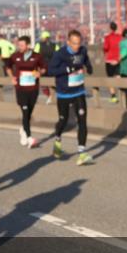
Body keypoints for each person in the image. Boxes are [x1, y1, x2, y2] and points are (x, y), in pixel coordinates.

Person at [47, 29, 94, 165]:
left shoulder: (82, 51)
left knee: (82, 120)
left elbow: (86, 60)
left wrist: (89, 68)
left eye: (78, 43)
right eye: (74, 44)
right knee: (63, 120)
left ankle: (82, 152)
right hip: (63, 93)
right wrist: (67, 70)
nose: (76, 46)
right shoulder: (60, 54)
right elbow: (51, 71)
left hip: (79, 92)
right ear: (68, 42)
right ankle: (57, 139)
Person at [10, 35, 45, 148]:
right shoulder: (15, 56)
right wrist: (12, 77)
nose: (19, 47)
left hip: (33, 88)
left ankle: (23, 129)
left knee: (29, 113)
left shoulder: (37, 56)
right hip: (21, 89)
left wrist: (41, 73)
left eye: (22, 45)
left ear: (28, 45)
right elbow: (8, 66)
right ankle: (30, 138)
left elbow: (44, 67)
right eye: (18, 45)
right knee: (25, 111)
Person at [34, 31, 59, 104]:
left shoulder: (39, 45)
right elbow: (59, 55)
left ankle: (49, 96)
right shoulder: (55, 45)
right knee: (53, 82)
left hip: (43, 67)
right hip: (53, 66)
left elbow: (35, 55)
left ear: (43, 38)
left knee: (43, 82)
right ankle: (53, 95)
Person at [101, 22, 122, 104]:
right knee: (118, 77)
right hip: (118, 60)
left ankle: (113, 96)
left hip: (109, 60)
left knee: (110, 79)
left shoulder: (107, 37)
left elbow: (105, 47)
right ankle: (122, 93)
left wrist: (104, 52)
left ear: (110, 28)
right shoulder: (120, 37)